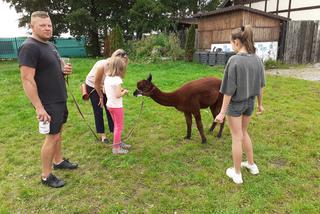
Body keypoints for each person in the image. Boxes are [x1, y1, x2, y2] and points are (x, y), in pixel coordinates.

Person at [18, 11, 78, 188]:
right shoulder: (29, 47)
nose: (47, 28)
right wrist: (39, 107)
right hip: (47, 102)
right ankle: (46, 175)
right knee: (51, 137)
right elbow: (27, 79)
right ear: (32, 27)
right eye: (42, 25)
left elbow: (52, 69)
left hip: (59, 97)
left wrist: (63, 71)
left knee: (58, 132)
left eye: (49, 25)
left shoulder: (50, 45)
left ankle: (58, 161)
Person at [214, 25, 265, 184]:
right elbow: (260, 85)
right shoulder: (257, 59)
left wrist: (222, 112)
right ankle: (251, 165)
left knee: (236, 137)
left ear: (236, 42)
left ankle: (237, 174)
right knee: (243, 133)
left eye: (231, 42)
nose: (231, 45)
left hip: (236, 105)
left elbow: (228, 91)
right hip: (250, 103)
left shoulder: (234, 61)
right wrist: (260, 104)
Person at [85, 49, 129, 143]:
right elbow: (96, 83)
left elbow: (111, 83)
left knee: (110, 107)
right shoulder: (102, 65)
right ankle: (103, 135)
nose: (123, 65)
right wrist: (101, 97)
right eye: (122, 62)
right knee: (98, 109)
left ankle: (114, 132)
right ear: (116, 60)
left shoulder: (116, 68)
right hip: (93, 86)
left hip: (105, 85)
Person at [104, 56, 131, 154]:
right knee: (118, 126)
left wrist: (120, 90)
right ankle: (116, 148)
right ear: (119, 69)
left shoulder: (107, 77)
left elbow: (105, 90)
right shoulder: (117, 80)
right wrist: (124, 92)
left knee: (116, 125)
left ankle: (118, 143)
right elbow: (118, 95)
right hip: (116, 107)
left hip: (109, 105)